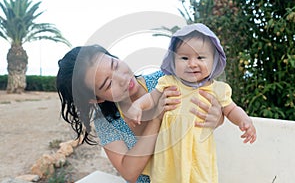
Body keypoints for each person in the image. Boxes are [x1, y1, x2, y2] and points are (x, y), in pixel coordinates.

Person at [56, 44, 224, 183]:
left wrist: (216, 117)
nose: (122, 78)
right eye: (108, 84)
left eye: (114, 65)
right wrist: (156, 118)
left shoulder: (166, 80)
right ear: (96, 99)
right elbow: (129, 172)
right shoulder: (106, 121)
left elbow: (214, 112)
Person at [126, 23, 257, 182]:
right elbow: (152, 98)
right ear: (173, 60)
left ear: (214, 60)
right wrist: (137, 105)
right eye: (184, 58)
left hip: (199, 156)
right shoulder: (169, 82)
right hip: (168, 156)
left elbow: (231, 109)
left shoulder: (217, 89)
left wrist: (244, 120)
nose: (192, 63)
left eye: (200, 57)